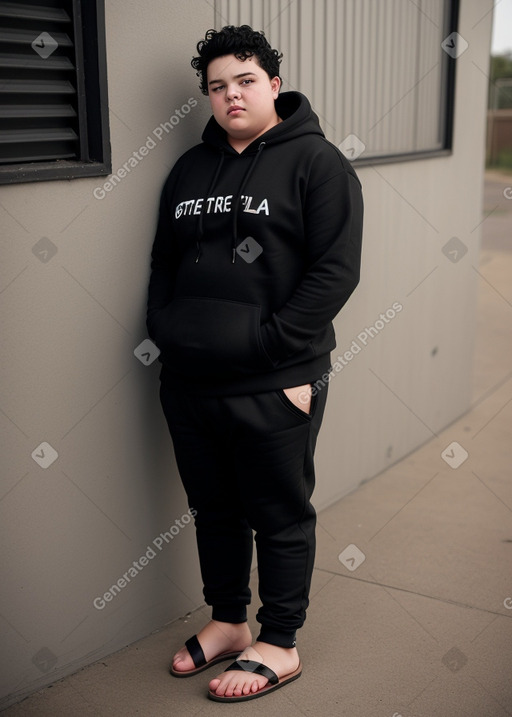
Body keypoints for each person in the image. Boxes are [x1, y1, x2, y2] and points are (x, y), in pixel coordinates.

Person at [146, 24, 363, 703]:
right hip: (190, 382)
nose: (231, 94)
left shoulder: (317, 163)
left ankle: (280, 641)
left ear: (274, 83)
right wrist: (167, 331)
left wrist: (275, 349)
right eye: (217, 86)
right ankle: (229, 622)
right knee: (213, 508)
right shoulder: (187, 170)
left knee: (278, 512)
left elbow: (335, 273)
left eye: (244, 80)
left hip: (275, 381)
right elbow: (163, 264)